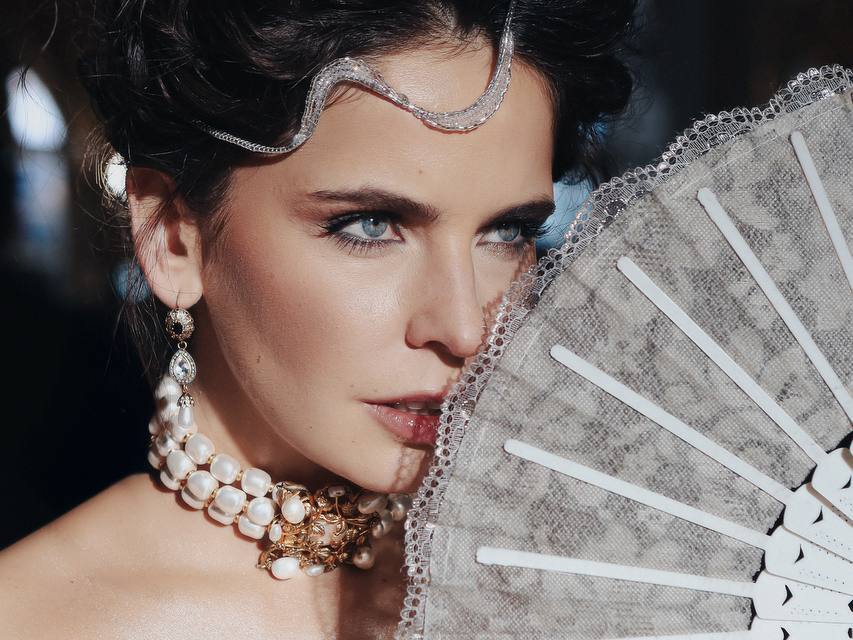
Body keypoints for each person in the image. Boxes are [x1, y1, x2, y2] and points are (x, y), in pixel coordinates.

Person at [0, 0, 634, 637]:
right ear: (173, 239)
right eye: (370, 225)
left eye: (508, 232)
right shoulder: (32, 616)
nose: (466, 329)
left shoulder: (576, 580)